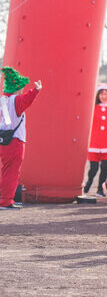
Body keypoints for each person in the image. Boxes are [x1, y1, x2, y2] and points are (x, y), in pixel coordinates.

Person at [0, 68, 41, 209]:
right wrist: (36, 90)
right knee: (12, 172)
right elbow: (26, 101)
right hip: (15, 141)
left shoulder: (3, 100)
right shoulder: (16, 100)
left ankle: (5, 199)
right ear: (17, 88)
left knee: (6, 170)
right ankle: (6, 201)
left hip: (3, 140)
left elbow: (7, 121)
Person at [85, 83, 107, 197]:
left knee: (104, 168)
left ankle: (100, 189)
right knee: (93, 168)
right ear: (98, 95)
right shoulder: (92, 108)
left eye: (106, 93)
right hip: (94, 142)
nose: (104, 96)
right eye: (102, 93)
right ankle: (89, 181)